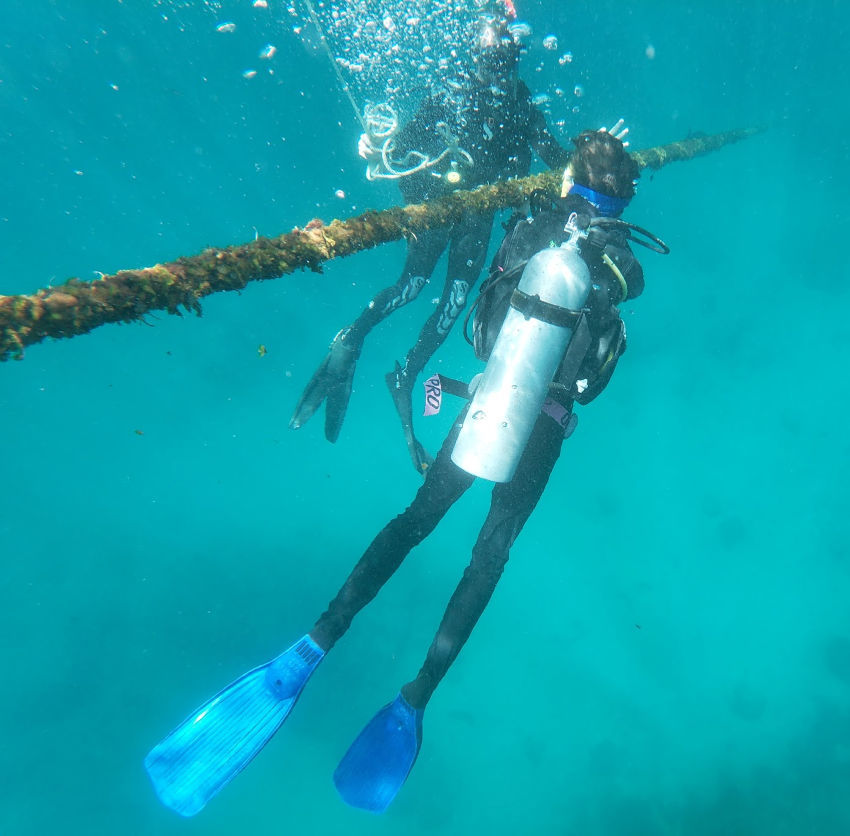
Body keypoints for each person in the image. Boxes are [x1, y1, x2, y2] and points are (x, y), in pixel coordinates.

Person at [143, 127, 669, 817]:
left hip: (486, 408)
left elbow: (480, 336)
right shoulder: (626, 265)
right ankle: (417, 693)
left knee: (416, 520)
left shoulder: (532, 230)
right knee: (488, 557)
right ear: (623, 195)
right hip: (543, 431)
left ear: (567, 181)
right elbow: (595, 379)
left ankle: (319, 638)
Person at [289, 17, 571, 474]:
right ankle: (387, 363)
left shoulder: (508, 103)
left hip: (465, 215)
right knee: (433, 292)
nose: (497, 71)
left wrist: (383, 150)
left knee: (427, 290)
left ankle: (380, 357)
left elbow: (556, 161)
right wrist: (374, 147)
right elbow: (400, 151)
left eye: (503, 61)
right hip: (444, 210)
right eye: (493, 60)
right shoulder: (477, 98)